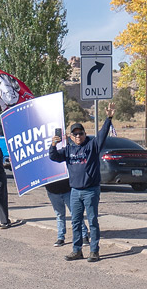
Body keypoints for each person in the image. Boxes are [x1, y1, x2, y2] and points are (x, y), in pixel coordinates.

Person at [49, 103, 115, 262]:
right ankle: (77, 250)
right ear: (71, 136)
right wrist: (53, 144)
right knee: (76, 221)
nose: (78, 136)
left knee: (92, 221)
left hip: (90, 190)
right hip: (75, 192)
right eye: (75, 134)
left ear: (85, 134)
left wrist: (109, 118)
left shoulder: (92, 146)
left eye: (81, 133)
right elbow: (53, 157)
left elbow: (102, 134)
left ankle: (94, 251)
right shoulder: (68, 150)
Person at [44, 177, 90, 247]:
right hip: (52, 191)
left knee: (75, 213)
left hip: (67, 189)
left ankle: (84, 235)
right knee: (59, 215)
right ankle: (60, 237)